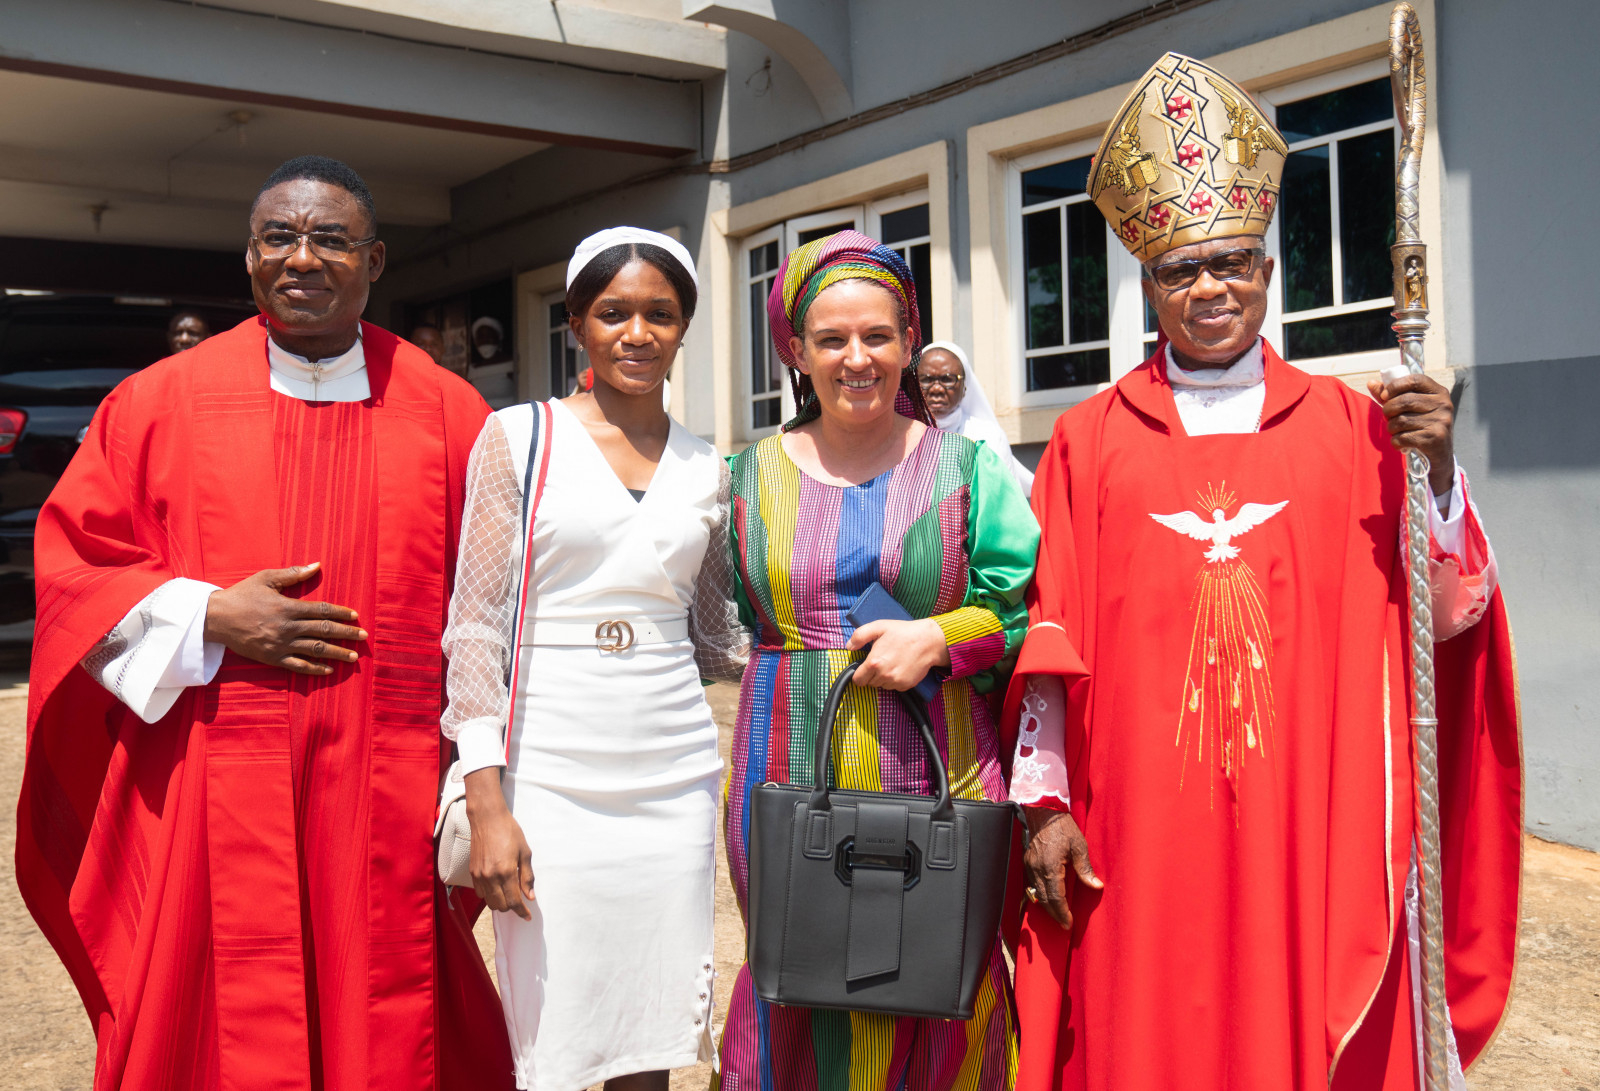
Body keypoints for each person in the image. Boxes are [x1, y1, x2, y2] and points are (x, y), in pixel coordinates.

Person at [1002, 53, 1521, 1091]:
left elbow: (1442, 614)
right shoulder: (1088, 441)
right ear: (1149, 286)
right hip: (1140, 820)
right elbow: (1052, 638)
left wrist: (1436, 474)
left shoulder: (1355, 428)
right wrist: (1046, 805)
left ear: (1270, 270)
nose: (1211, 288)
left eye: (1233, 262)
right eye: (1181, 270)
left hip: (1310, 811)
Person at [17, 155, 513, 1091]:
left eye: (330, 238)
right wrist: (211, 612)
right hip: (214, 781)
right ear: (249, 258)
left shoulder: (448, 411)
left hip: (389, 783)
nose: (302, 257)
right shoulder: (159, 403)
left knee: (389, 1010)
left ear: (374, 260)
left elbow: (499, 604)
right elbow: (75, 570)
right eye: (278, 237)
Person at [716, 230, 1038, 1088]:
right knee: (797, 963)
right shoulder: (744, 477)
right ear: (795, 350)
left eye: (877, 336)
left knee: (938, 968)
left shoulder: (968, 467)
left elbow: (1022, 609)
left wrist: (941, 635)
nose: (856, 358)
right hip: (787, 757)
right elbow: (727, 615)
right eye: (831, 339)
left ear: (908, 340)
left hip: (938, 760)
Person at [442, 226, 746, 1091]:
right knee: (556, 1034)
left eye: (660, 314)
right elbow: (474, 627)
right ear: (575, 324)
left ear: (683, 328)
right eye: (613, 313)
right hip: (548, 771)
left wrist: (827, 645)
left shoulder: (707, 465)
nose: (637, 333)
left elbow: (716, 635)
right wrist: (487, 802)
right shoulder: (518, 436)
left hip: (673, 773)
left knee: (650, 1034)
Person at [920, 339, 1034, 495]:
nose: (937, 389)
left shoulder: (988, 436)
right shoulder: (902, 435)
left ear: (965, 386)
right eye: (926, 380)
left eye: (947, 379)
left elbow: (1005, 499)